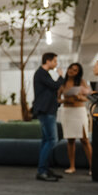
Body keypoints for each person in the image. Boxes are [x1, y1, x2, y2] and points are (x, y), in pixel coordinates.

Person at [33, 52, 64, 182]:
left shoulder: (44, 74)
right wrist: (61, 76)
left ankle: (44, 169)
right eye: (55, 61)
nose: (56, 64)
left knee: (46, 140)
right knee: (52, 140)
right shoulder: (41, 73)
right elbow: (55, 85)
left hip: (48, 110)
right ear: (48, 61)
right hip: (45, 111)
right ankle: (41, 171)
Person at [57, 63, 92, 174]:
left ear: (78, 72)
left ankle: (93, 167)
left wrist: (79, 97)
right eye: (70, 68)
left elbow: (88, 98)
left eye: (75, 70)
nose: (71, 71)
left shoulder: (82, 82)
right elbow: (57, 99)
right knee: (70, 140)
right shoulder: (62, 83)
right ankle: (72, 167)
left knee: (85, 139)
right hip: (67, 111)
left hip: (79, 111)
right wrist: (64, 101)